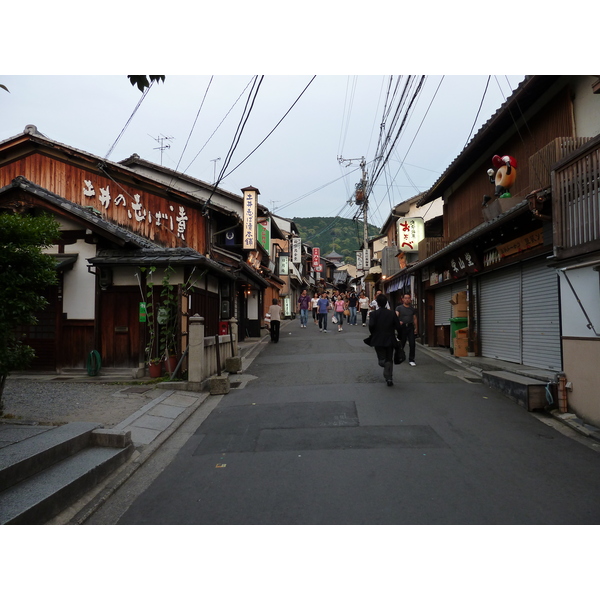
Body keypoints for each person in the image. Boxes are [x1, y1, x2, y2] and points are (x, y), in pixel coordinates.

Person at [368, 293, 403, 386]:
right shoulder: (392, 313)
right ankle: (389, 378)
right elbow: (398, 326)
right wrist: (399, 336)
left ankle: (384, 365)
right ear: (386, 302)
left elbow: (371, 326)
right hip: (390, 338)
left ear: (378, 303)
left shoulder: (374, 314)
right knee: (389, 358)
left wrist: (373, 334)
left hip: (378, 338)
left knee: (381, 358)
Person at [395, 293, 418, 366]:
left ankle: (411, 359)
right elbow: (396, 316)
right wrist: (398, 321)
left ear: (410, 299)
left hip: (410, 327)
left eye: (408, 298)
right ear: (403, 299)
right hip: (402, 327)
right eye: (405, 298)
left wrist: (416, 328)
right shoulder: (399, 308)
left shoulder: (412, 309)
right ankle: (399, 356)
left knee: (412, 344)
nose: (407, 299)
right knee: (402, 343)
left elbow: (414, 318)